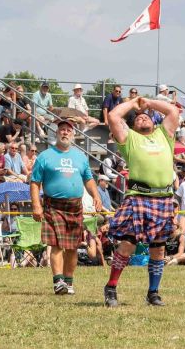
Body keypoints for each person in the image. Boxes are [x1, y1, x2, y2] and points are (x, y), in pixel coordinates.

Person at [103, 94, 180, 307]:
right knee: (127, 244)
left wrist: (149, 103)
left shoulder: (164, 134)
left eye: (146, 116)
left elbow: (173, 111)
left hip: (163, 198)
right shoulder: (129, 139)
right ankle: (111, 287)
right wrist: (134, 103)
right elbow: (113, 116)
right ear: (133, 125)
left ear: (154, 121)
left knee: (158, 248)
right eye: (138, 118)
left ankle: (153, 293)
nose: (142, 118)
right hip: (138, 197)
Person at [30, 118, 104, 295]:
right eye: (62, 129)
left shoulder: (80, 157)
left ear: (73, 134)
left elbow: (88, 179)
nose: (65, 132)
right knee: (55, 245)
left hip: (74, 206)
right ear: (57, 133)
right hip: (52, 205)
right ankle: (58, 282)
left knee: (72, 246)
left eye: (68, 130)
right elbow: (34, 183)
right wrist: (36, 205)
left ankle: (69, 282)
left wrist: (96, 195)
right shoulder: (45, 156)